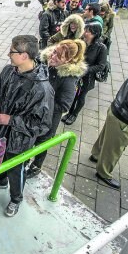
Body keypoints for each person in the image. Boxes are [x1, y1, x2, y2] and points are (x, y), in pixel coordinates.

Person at [0, 35, 54, 217]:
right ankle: (0, 180)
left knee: (16, 169)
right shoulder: (9, 71)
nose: (8, 54)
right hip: (0, 131)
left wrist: (11, 120)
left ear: (24, 56)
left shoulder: (42, 89)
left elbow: (42, 125)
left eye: (12, 51)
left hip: (20, 140)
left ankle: (16, 198)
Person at [26, 39, 87, 178]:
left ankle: (36, 166)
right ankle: (24, 161)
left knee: (42, 142)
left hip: (48, 119)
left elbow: (64, 105)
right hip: (33, 111)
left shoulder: (69, 79)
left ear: (68, 60)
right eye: (54, 51)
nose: (52, 56)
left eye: (58, 56)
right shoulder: (44, 61)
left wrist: (42, 104)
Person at [62, 22, 108, 126]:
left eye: (87, 31)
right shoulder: (81, 42)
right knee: (73, 94)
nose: (84, 32)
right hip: (76, 75)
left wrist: (84, 70)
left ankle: (74, 114)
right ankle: (69, 112)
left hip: (87, 78)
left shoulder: (101, 48)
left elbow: (101, 66)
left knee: (81, 96)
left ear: (94, 34)